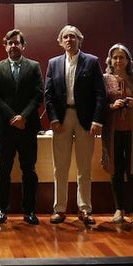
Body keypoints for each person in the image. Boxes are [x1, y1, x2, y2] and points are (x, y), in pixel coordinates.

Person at [44, 25, 105, 226]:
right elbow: (49, 94)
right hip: (61, 120)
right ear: (60, 41)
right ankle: (59, 209)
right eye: (65, 37)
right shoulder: (53, 63)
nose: (69, 40)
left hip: (86, 120)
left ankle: (85, 209)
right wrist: (53, 118)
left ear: (80, 40)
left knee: (84, 167)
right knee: (59, 167)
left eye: (72, 36)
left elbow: (99, 93)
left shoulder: (92, 61)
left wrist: (97, 119)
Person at [0, 29, 43, 226]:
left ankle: (29, 211)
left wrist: (23, 116)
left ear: (23, 46)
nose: (13, 46)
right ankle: (2, 210)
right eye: (9, 43)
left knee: (29, 170)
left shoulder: (34, 66)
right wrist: (13, 117)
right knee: (3, 171)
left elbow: (38, 95)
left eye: (16, 43)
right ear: (5, 46)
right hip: (5, 128)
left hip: (27, 127)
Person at [100, 43, 133, 225]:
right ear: (110, 60)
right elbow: (99, 104)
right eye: (115, 57)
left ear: (128, 60)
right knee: (116, 171)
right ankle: (119, 209)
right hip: (113, 131)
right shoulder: (104, 79)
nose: (118, 61)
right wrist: (111, 106)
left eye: (122, 57)